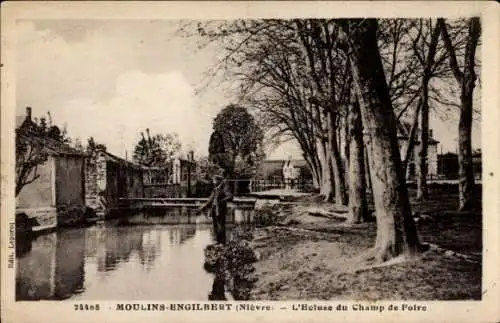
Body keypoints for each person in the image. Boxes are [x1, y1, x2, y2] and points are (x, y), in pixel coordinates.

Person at [196, 175, 233, 245]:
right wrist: (202, 207)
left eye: (214, 180)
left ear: (218, 181)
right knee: (215, 226)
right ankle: (218, 242)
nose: (213, 182)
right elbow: (210, 200)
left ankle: (222, 243)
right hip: (214, 210)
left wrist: (222, 200)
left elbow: (230, 196)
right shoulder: (215, 189)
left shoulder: (224, 188)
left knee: (221, 226)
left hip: (220, 209)